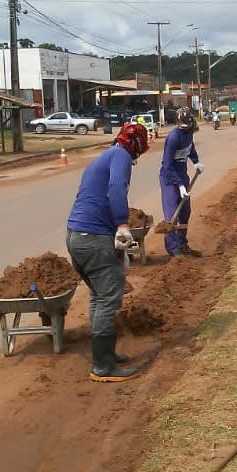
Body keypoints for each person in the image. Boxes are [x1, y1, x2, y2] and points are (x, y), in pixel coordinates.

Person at [67, 123, 151, 382]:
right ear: (136, 144)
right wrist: (122, 224)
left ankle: (106, 355)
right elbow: (116, 189)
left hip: (77, 236)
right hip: (93, 238)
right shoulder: (121, 156)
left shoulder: (106, 156)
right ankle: (102, 367)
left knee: (98, 296)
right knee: (107, 300)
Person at [159, 108, 204, 257]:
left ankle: (182, 243)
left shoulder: (189, 133)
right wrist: (178, 185)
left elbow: (190, 149)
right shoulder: (173, 137)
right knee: (172, 214)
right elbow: (167, 165)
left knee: (185, 212)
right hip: (169, 179)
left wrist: (196, 162)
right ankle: (174, 251)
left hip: (182, 175)